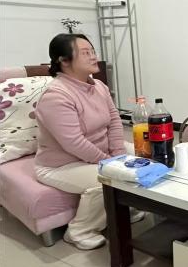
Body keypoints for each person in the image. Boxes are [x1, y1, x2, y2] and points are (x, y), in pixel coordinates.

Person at [34, 34, 144, 250]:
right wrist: (110, 162)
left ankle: (123, 209)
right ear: (64, 61)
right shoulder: (56, 96)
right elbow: (73, 142)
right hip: (62, 165)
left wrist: (118, 153)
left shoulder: (99, 86)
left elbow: (114, 121)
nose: (94, 57)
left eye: (93, 51)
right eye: (86, 53)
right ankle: (79, 231)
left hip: (99, 154)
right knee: (108, 178)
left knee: (144, 157)